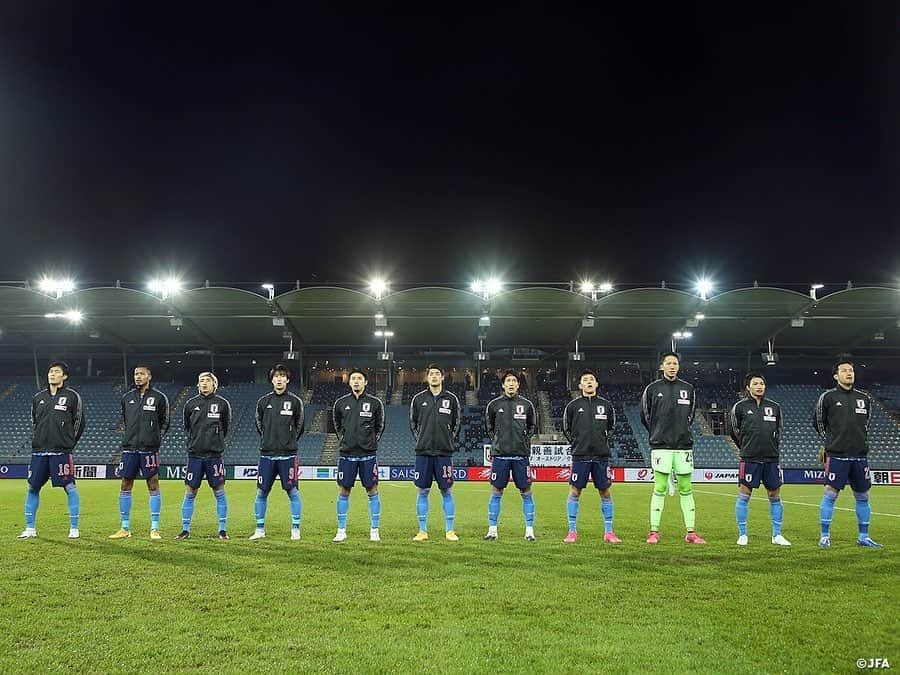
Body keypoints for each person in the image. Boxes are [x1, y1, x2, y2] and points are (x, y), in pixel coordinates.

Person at [813, 358, 883, 548]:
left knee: (863, 496)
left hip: (860, 456)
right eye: (844, 370)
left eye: (851, 370)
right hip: (837, 455)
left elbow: (866, 424)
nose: (849, 373)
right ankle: (825, 535)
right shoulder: (827, 397)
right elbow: (818, 423)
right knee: (830, 494)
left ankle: (863, 537)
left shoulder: (864, 398)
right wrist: (829, 442)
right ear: (836, 376)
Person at [640, 352, 706, 544]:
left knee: (686, 488)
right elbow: (645, 414)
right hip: (661, 446)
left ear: (678, 366)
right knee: (660, 487)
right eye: (668, 363)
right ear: (662, 366)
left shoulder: (688, 388)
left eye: (674, 363)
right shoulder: (652, 389)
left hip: (683, 446)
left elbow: (691, 415)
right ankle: (654, 532)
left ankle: (691, 533)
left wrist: (681, 431)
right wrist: (657, 432)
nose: (671, 366)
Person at [18, 361, 85, 540]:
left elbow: (79, 422)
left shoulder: (72, 397)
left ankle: (74, 528)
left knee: (70, 487)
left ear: (64, 376)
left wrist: (68, 442)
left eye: (56, 372)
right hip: (39, 451)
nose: (52, 374)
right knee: (33, 487)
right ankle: (30, 529)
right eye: (50, 372)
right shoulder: (38, 397)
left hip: (61, 451)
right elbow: (35, 422)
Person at [109, 365, 170, 541]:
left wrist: (154, 438)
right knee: (125, 484)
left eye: (141, 374)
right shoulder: (127, 398)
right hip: (129, 448)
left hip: (149, 448)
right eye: (136, 374)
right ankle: (125, 527)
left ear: (149, 377)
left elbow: (165, 422)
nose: (138, 377)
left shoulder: (159, 398)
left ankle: (155, 528)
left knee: (153, 484)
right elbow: (125, 419)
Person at [729, 373, 790, 546]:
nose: (759, 386)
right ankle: (743, 534)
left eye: (762, 383)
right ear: (748, 387)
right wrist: (747, 446)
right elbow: (733, 430)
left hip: (771, 458)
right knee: (744, 495)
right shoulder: (739, 407)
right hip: (749, 458)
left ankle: (777, 535)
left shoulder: (774, 407)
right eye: (755, 383)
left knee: (775, 495)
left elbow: (778, 430)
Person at [561, 369, 621, 543]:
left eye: (591, 379)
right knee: (575, 491)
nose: (588, 382)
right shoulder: (573, 406)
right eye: (585, 380)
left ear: (596, 384)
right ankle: (572, 531)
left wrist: (601, 440)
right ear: (580, 385)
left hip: (601, 456)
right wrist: (577, 442)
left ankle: (609, 532)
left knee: (605, 491)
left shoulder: (606, 405)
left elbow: (611, 426)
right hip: (580, 455)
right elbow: (566, 427)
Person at [249, 364, 305, 541]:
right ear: (272, 379)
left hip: (288, 455)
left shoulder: (295, 401)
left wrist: (288, 440)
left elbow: (300, 425)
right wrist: (268, 440)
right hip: (267, 454)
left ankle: (295, 529)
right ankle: (259, 529)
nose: (279, 379)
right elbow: (259, 424)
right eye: (276, 376)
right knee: (261, 492)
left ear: (287, 380)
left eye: (282, 376)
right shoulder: (263, 402)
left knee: (292, 492)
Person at [175, 372, 231, 541]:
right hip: (195, 456)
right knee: (190, 492)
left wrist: (216, 441)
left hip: (214, 456)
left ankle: (222, 530)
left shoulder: (222, 404)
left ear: (214, 384)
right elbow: (187, 426)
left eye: (207, 380)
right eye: (201, 381)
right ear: (198, 385)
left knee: (219, 491)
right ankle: (185, 529)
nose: (204, 383)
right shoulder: (191, 404)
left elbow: (226, 426)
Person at [409, 364, 461, 541]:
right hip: (423, 452)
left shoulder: (451, 399)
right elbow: (413, 423)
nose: (434, 377)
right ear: (427, 377)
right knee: (422, 491)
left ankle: (450, 530)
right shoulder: (418, 399)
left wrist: (447, 439)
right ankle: (422, 530)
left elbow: (456, 423)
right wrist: (421, 440)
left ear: (442, 377)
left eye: (438, 374)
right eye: (431, 374)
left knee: (447, 491)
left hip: (443, 453)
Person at [332, 369, 385, 542]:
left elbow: (380, 426)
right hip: (347, 454)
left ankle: (374, 530)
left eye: (359, 379)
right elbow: (337, 424)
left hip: (368, 455)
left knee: (372, 490)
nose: (356, 381)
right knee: (344, 490)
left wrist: (370, 442)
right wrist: (345, 439)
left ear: (365, 382)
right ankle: (341, 530)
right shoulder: (340, 403)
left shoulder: (375, 403)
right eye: (353, 378)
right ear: (349, 382)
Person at [484, 370, 537, 541]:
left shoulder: (527, 404)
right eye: (508, 381)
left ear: (518, 384)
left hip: (521, 455)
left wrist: (523, 441)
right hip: (501, 455)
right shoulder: (494, 404)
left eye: (514, 380)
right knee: (496, 491)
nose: (511, 383)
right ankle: (492, 530)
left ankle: (529, 530)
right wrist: (498, 441)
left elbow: (532, 426)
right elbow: (489, 427)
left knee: (526, 491)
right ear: (503, 384)